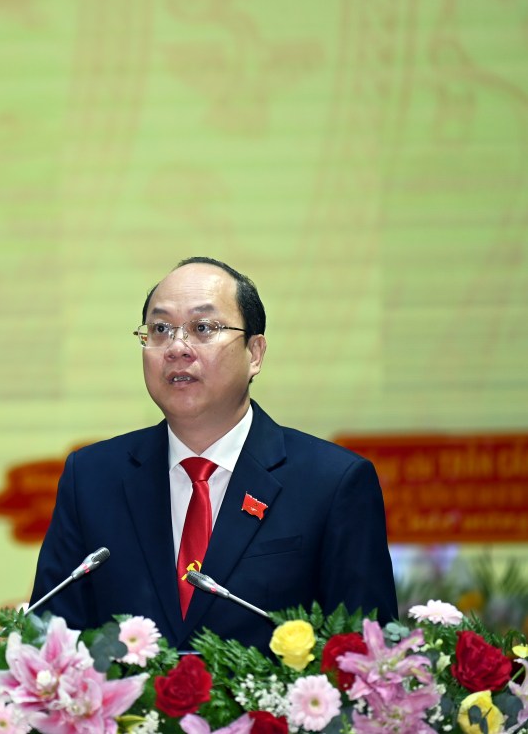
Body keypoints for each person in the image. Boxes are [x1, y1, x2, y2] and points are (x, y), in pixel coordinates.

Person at [30, 257, 397, 655]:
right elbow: (51, 640)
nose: (176, 348)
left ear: (254, 353)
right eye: (159, 329)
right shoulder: (91, 478)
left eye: (203, 328)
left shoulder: (333, 483)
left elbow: (369, 659)